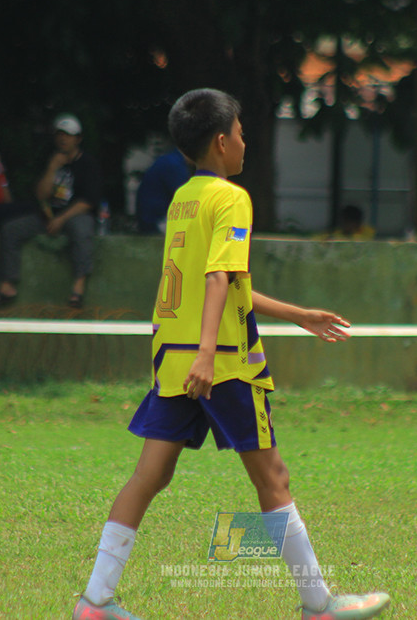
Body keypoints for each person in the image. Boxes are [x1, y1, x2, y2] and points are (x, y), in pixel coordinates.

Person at [71, 89, 390, 620]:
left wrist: (297, 314)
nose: (246, 141)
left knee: (148, 476)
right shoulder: (232, 198)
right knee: (274, 479)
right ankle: (319, 605)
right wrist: (206, 354)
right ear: (222, 141)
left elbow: (221, 281)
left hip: (175, 358)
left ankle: (95, 601)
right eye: (241, 132)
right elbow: (218, 276)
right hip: (219, 361)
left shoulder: (184, 198)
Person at [0, 113, 102, 307]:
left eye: (68, 135)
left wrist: (61, 219)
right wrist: (52, 167)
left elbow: (89, 201)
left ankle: (78, 287)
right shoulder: (49, 159)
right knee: (11, 228)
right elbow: (40, 195)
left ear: (78, 138)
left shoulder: (87, 164)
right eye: (60, 134)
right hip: (48, 215)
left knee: (83, 230)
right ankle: (7, 285)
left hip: (74, 215)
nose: (63, 138)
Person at [135, 146, 192, 234]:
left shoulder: (170, 160)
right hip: (156, 221)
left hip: (150, 219)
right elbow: (187, 198)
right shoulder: (174, 164)